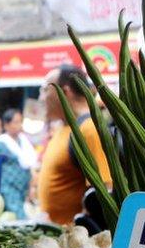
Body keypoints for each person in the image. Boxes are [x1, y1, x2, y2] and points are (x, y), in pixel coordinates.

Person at [37, 65, 112, 225]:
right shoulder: (64, 128)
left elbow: (103, 193)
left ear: (65, 92)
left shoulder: (89, 129)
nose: (41, 99)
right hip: (57, 238)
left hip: (77, 241)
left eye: (45, 90)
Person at [0, 109, 37, 219]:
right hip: (8, 189)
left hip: (23, 189)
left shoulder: (23, 140)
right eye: (16, 122)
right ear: (7, 125)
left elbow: (29, 164)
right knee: (18, 216)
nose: (19, 125)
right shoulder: (1, 143)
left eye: (20, 121)